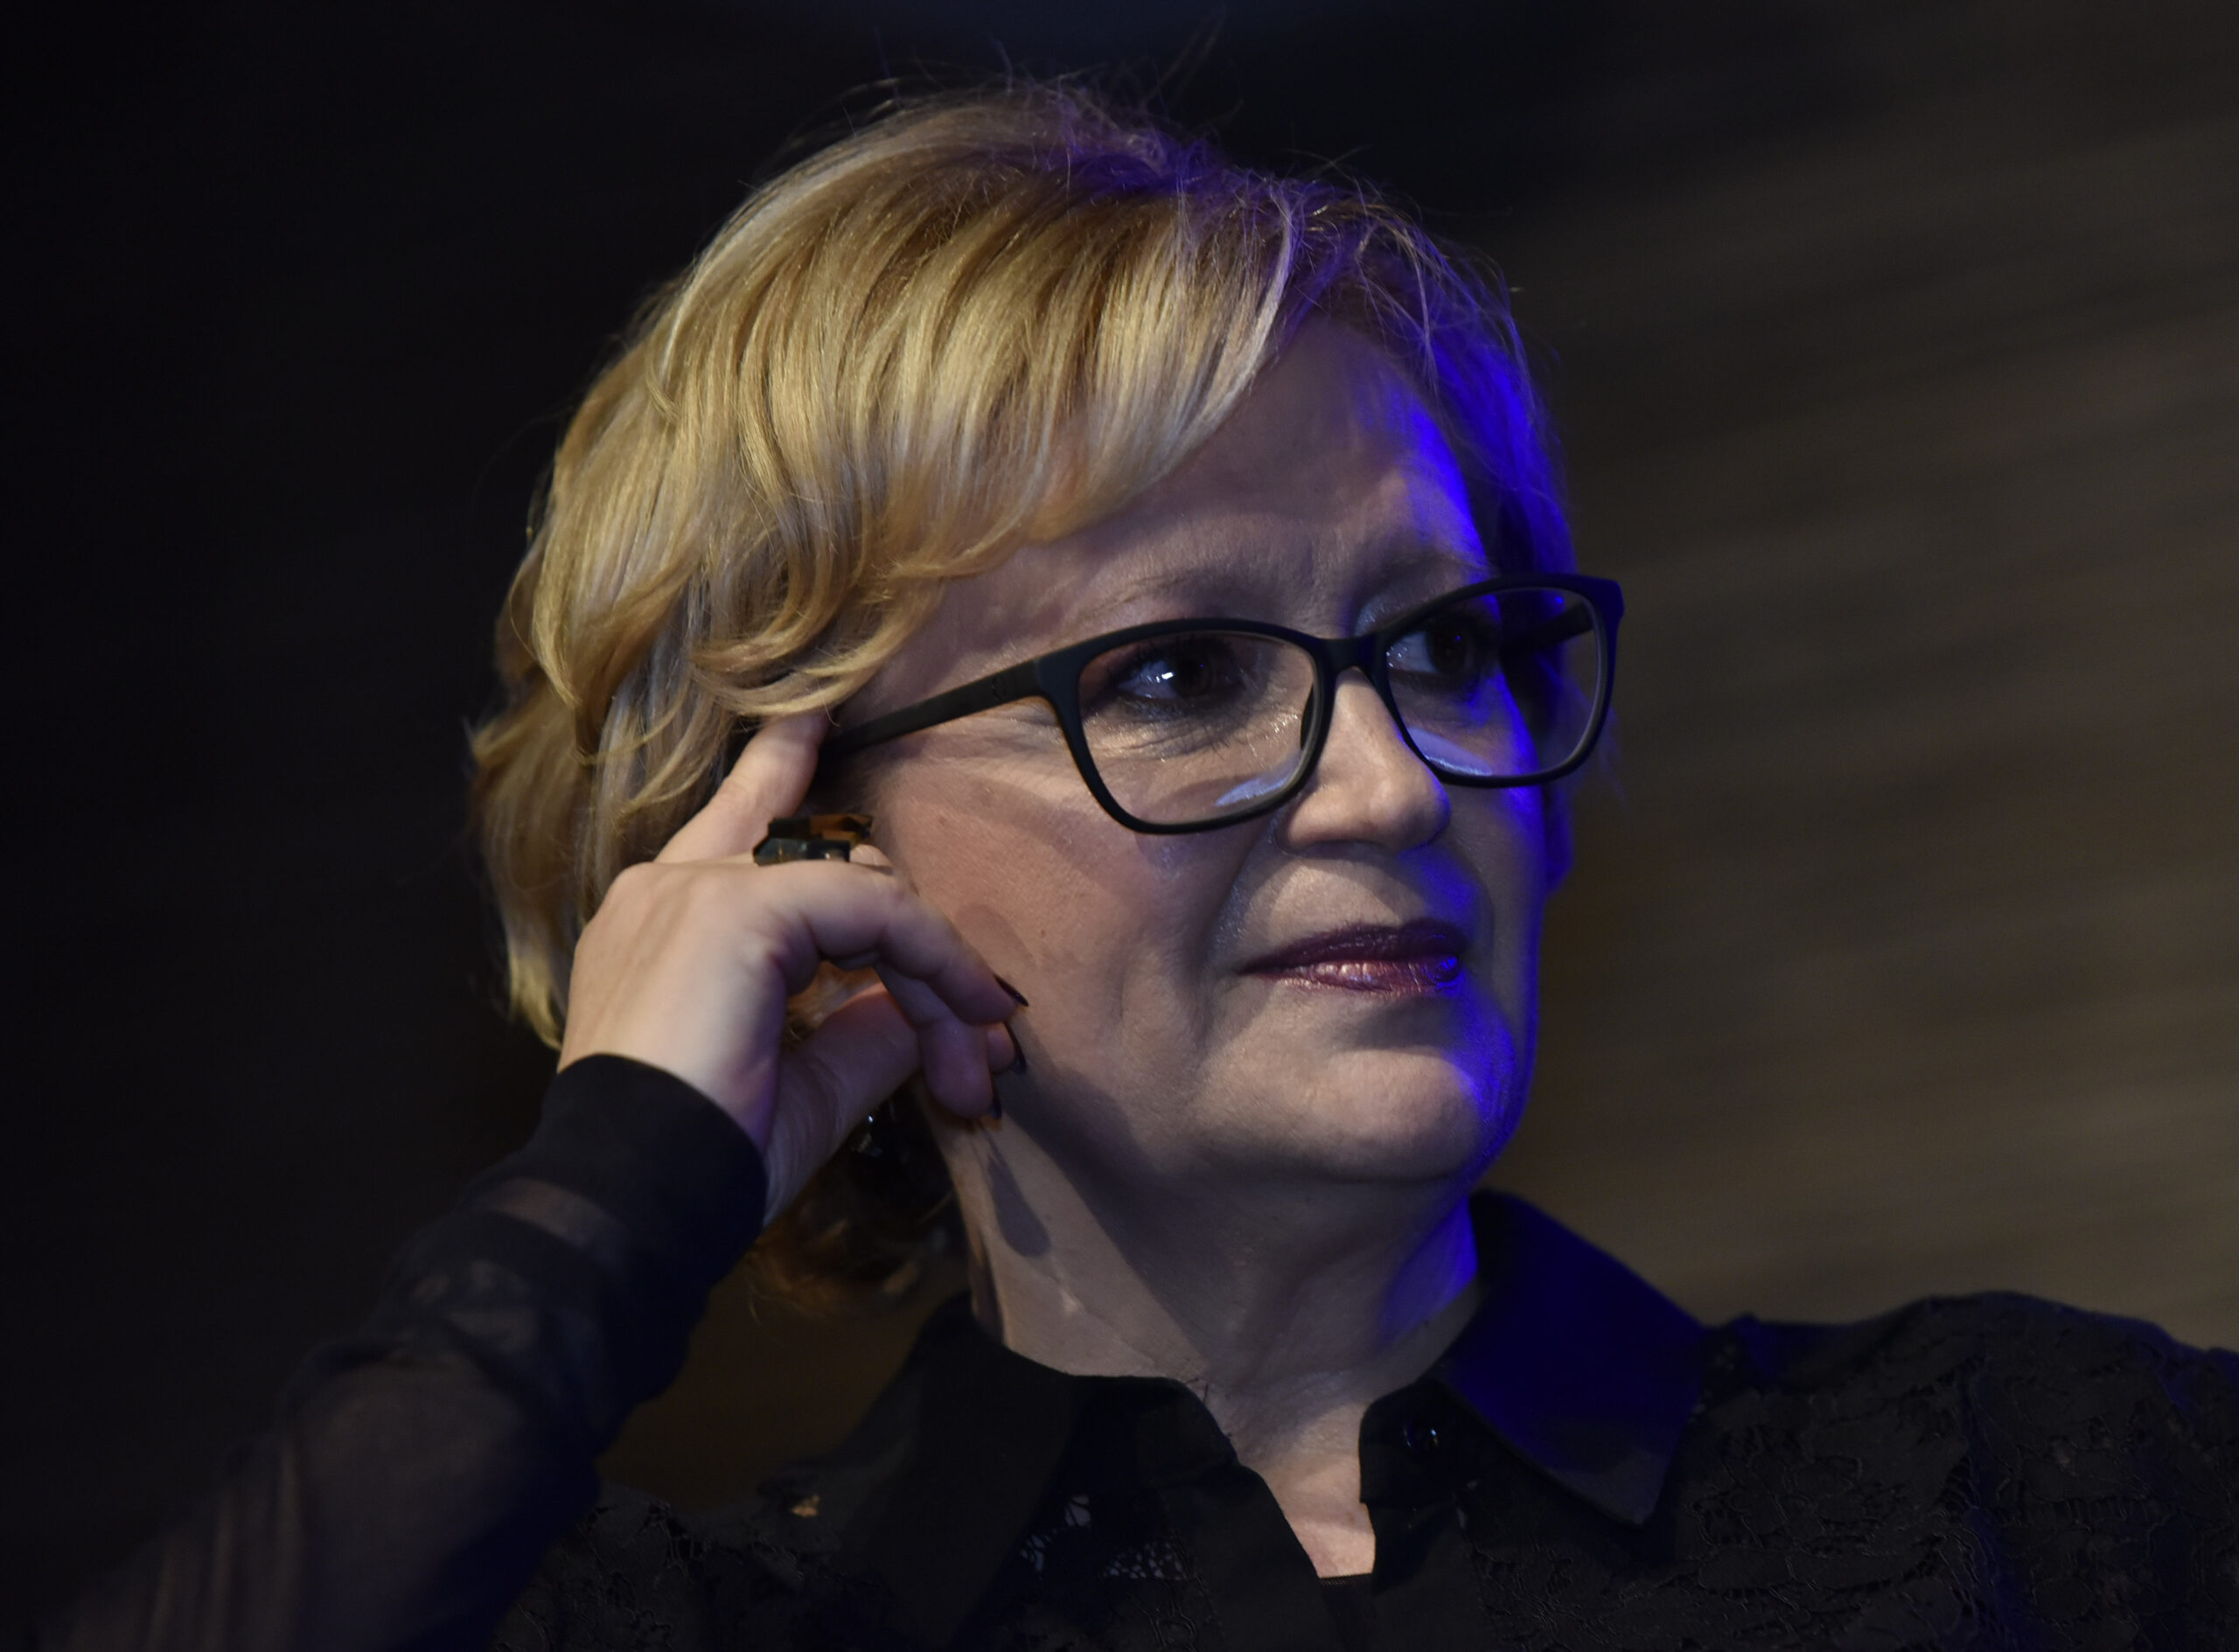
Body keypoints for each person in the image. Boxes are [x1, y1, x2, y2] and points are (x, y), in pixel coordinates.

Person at [40, 86, 2237, 1652]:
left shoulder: (2056, 1488)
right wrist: (623, 1175)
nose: (1387, 787)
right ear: (811, 847)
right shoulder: (682, 1624)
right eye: (1180, 673)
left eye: (1442, 646)